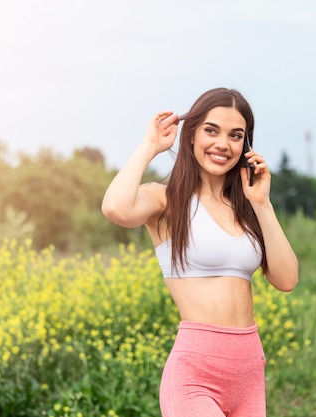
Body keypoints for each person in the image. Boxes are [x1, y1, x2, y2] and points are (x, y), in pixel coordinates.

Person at [101, 87, 298, 417]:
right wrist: (150, 145)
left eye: (236, 135)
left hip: (249, 371)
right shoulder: (166, 200)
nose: (223, 144)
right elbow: (116, 208)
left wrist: (263, 204)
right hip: (195, 374)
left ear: (245, 146)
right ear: (190, 135)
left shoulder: (247, 209)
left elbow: (287, 278)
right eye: (211, 130)